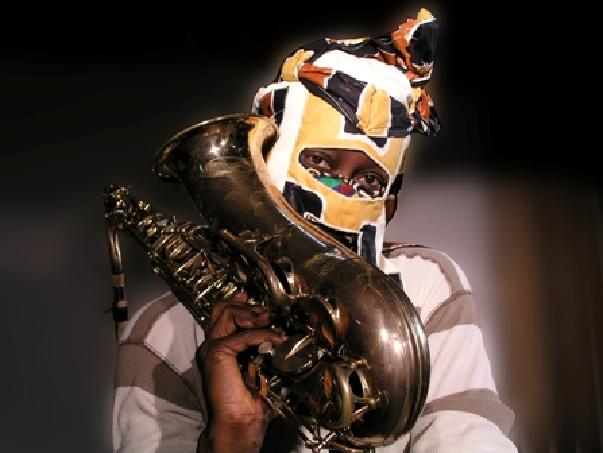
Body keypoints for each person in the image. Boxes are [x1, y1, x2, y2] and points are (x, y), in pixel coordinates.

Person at [112, 9, 517, 452]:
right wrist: (233, 434)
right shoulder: (157, 337)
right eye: (320, 163)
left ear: (390, 202)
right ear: (265, 161)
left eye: (369, 181)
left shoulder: (428, 287)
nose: (340, 193)